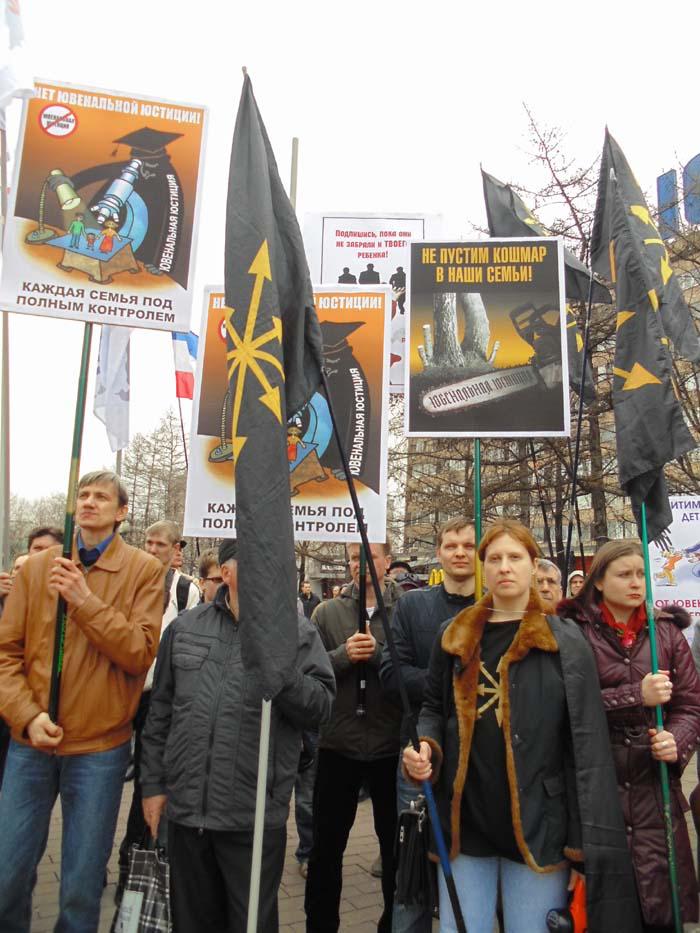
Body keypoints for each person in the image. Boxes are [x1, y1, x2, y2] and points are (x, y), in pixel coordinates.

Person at [404, 520, 640, 933]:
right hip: (464, 823)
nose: (504, 567)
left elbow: (583, 749)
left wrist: (580, 847)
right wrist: (426, 747)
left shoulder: (564, 641)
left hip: (539, 826)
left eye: (515, 557)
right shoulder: (454, 635)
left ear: (533, 564)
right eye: (494, 558)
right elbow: (432, 708)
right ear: (483, 567)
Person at [140, 539, 335, 933]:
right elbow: (160, 713)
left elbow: (321, 706)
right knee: (192, 923)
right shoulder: (185, 628)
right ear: (226, 573)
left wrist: (282, 673)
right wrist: (153, 785)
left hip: (253, 817)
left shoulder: (296, 632)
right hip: (187, 811)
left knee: (251, 923)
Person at [0, 470, 164, 932]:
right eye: (83, 494)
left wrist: (84, 600)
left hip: (99, 750)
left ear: (121, 512)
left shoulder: (144, 570)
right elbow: (6, 654)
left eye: (101, 497)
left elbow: (138, 653)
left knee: (80, 886)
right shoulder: (37, 568)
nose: (89, 502)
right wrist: (26, 716)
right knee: (7, 874)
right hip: (31, 745)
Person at [558, 539, 700, 932]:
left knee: (662, 912)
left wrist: (676, 741)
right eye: (624, 575)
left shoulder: (666, 633)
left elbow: (691, 704)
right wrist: (636, 695)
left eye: (641, 574)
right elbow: (566, 704)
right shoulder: (574, 633)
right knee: (610, 915)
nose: (636, 582)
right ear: (599, 581)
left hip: (655, 793)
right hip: (598, 788)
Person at [380, 518, 476, 933]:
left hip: (481, 757)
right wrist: (454, 683)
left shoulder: (493, 609)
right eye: (451, 545)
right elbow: (392, 675)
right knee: (413, 869)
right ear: (438, 553)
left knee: (474, 867)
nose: (460, 553)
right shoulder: (412, 606)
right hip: (420, 754)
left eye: (469, 545)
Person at [305, 540, 403, 933]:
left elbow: (414, 671)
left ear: (387, 561)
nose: (359, 562)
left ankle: (393, 924)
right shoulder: (326, 612)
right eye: (352, 557)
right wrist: (343, 655)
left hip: (390, 746)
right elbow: (308, 671)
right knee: (326, 850)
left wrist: (379, 654)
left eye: (369, 555)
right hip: (338, 745)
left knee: (395, 850)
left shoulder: (405, 609)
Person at [117, 519, 201, 893]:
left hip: (157, 696)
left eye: (160, 545)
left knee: (147, 781)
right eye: (148, 543)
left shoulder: (186, 590)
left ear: (175, 549)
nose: (152, 550)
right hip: (121, 691)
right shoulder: (128, 579)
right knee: (109, 774)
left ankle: (133, 855)